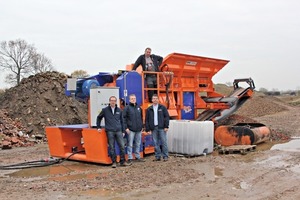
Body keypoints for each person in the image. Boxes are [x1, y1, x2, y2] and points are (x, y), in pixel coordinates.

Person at [96, 96, 131, 168]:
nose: (113, 102)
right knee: (112, 147)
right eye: (111, 100)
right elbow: (99, 117)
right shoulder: (105, 110)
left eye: (114, 100)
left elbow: (122, 121)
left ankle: (122, 161)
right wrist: (98, 127)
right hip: (110, 131)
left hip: (119, 131)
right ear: (109, 101)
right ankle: (114, 162)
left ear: (116, 102)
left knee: (122, 146)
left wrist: (123, 131)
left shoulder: (119, 110)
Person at [145, 94, 170, 161]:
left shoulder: (163, 108)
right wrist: (148, 129)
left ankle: (165, 156)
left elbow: (167, 117)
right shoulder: (149, 109)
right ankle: (158, 156)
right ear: (152, 100)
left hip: (162, 128)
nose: (155, 100)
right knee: (155, 143)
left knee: (164, 142)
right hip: (153, 128)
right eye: (154, 98)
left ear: (158, 100)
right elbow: (146, 119)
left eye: (156, 98)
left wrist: (166, 126)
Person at [123, 94, 145, 164]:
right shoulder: (127, 108)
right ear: (129, 100)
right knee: (130, 144)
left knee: (138, 143)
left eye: (134, 98)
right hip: (131, 129)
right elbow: (124, 119)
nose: (133, 100)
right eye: (132, 98)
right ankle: (130, 158)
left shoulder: (139, 108)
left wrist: (142, 127)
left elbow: (141, 118)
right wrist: (126, 128)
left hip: (138, 129)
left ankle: (137, 156)